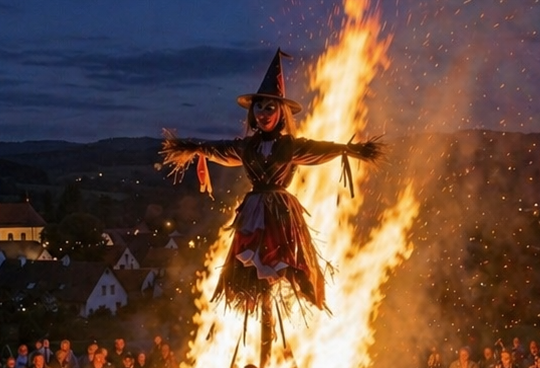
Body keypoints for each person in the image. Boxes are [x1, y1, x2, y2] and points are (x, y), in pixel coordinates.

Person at [161, 50, 382, 314]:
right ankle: (252, 296)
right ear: (252, 113)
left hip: (280, 211)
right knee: (249, 262)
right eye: (259, 107)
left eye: (270, 108)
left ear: (281, 113)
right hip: (253, 211)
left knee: (282, 257)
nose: (264, 113)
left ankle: (297, 284)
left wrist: (348, 150)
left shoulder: (290, 146)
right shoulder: (248, 147)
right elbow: (220, 150)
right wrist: (194, 148)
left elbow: (317, 149)